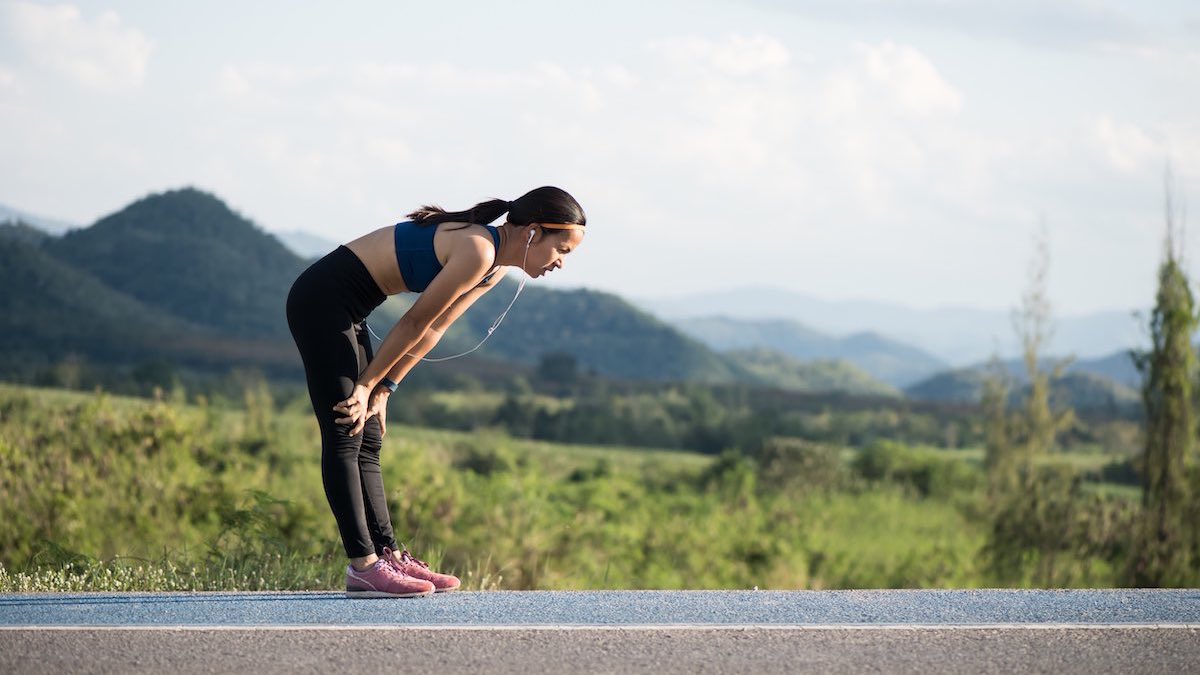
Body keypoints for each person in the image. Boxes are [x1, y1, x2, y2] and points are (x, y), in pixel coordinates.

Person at [285, 186, 586, 598]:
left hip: (349, 309)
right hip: (320, 301)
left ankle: (387, 554)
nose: (561, 263)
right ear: (533, 232)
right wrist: (365, 385)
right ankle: (364, 566)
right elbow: (411, 323)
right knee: (344, 426)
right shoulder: (478, 250)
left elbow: (434, 330)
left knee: (368, 433)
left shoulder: (493, 267)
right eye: (562, 249)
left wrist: (385, 387)